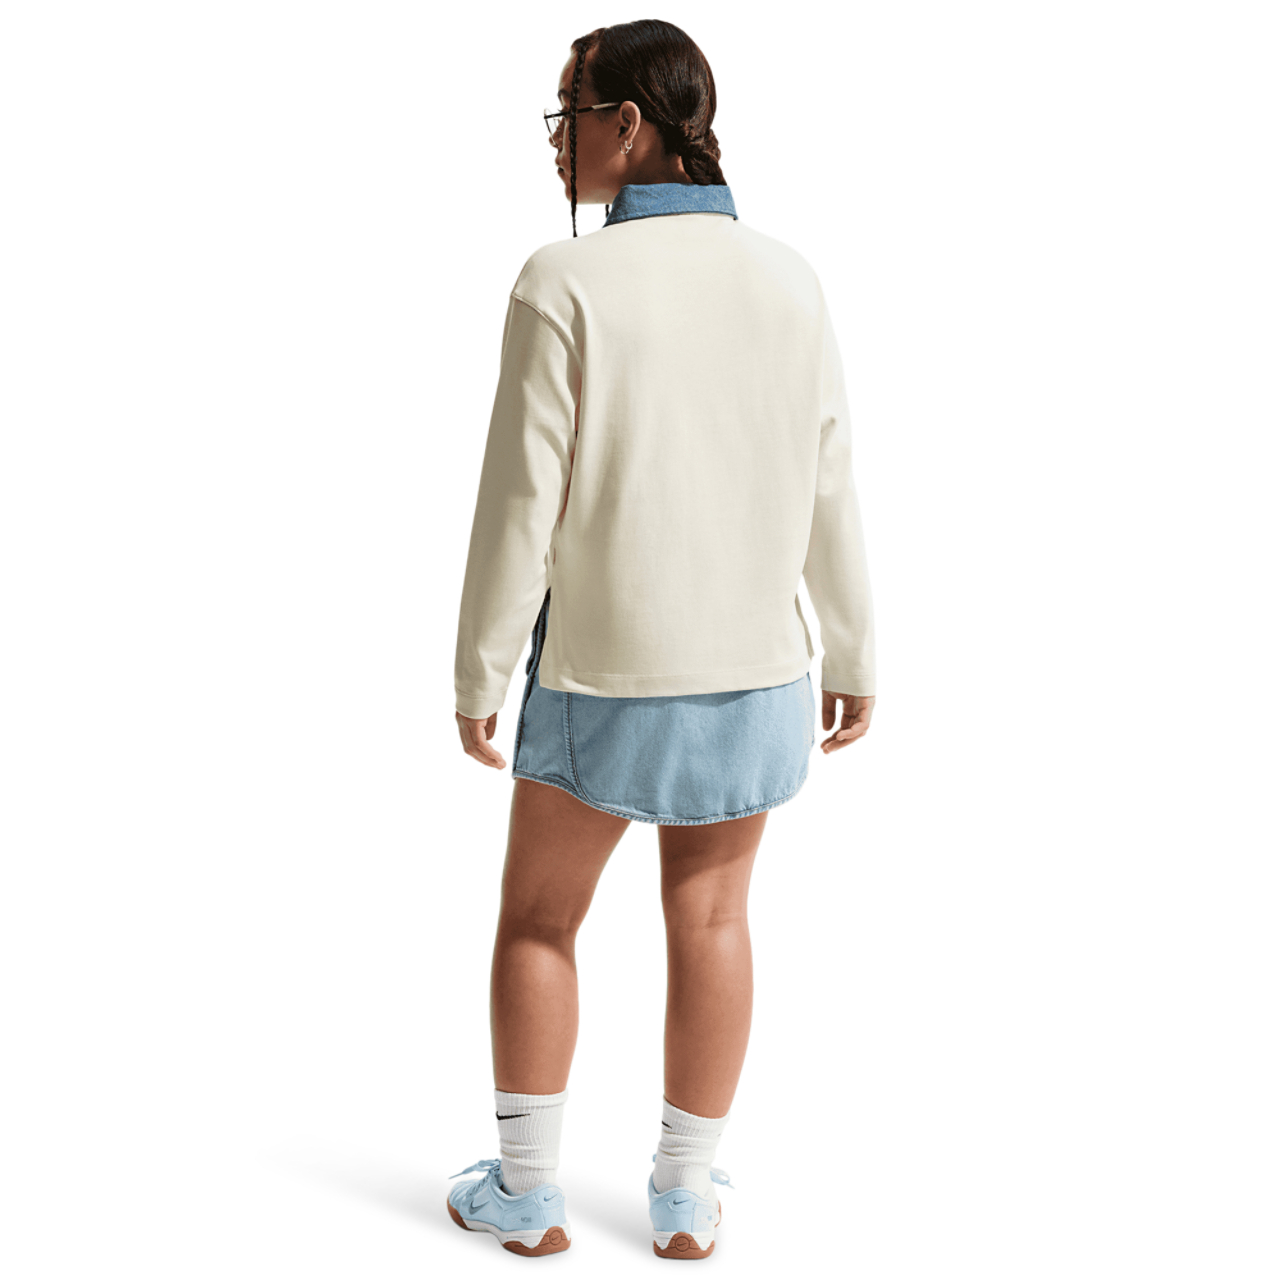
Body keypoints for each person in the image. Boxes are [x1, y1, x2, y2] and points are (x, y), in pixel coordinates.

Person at [448, 19, 876, 1259]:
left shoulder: (562, 281)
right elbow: (828, 479)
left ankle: (526, 1192)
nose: (556, 140)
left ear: (627, 124)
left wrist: (478, 670)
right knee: (713, 921)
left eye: (568, 111)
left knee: (538, 919)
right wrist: (854, 651)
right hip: (757, 671)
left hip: (603, 670)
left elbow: (519, 501)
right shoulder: (789, 278)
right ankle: (684, 1198)